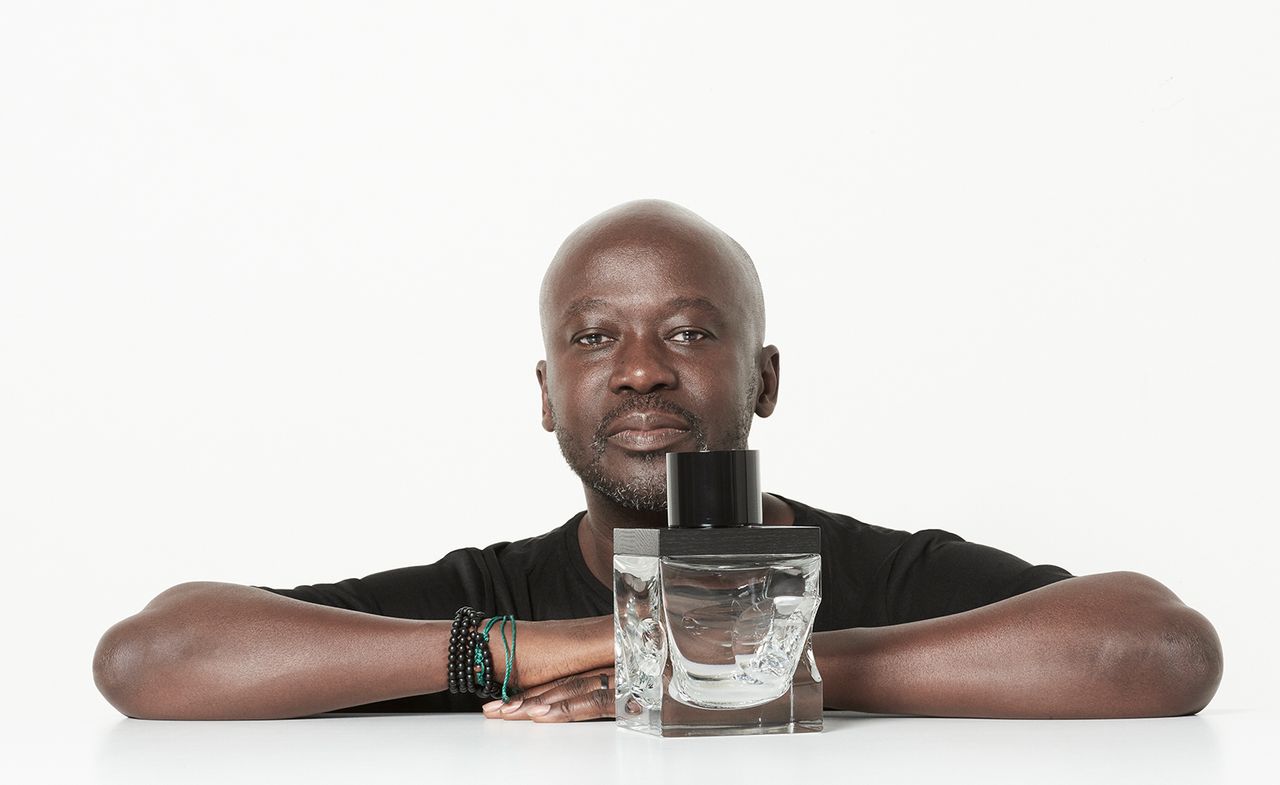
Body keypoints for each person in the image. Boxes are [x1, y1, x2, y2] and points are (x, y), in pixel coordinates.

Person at [93, 200, 1222, 723]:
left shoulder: (870, 575)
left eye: (689, 331)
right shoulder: (497, 605)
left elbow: (1162, 647)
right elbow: (155, 655)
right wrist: (611, 644)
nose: (640, 370)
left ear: (763, 379)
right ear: (547, 395)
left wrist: (763, 669)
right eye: (593, 338)